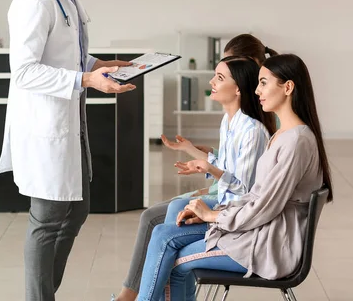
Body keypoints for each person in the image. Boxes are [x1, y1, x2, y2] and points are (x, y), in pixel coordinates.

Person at [0, 0, 136, 301]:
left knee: (76, 210)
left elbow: (64, 56)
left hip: (70, 122)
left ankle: (43, 294)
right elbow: (23, 71)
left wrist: (97, 66)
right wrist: (84, 79)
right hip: (46, 126)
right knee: (46, 221)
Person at [137, 54, 334, 301]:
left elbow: (265, 206)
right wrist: (214, 215)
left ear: (288, 87)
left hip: (267, 245)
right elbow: (256, 195)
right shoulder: (284, 135)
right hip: (257, 231)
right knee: (165, 238)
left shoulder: (296, 142)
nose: (257, 90)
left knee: (173, 261)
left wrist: (213, 216)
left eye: (264, 83)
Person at [111, 54, 276, 301]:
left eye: (219, 78)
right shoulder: (229, 122)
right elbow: (225, 168)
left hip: (237, 216)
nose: (212, 82)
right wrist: (199, 160)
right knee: (177, 207)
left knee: (163, 237)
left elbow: (244, 191)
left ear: (239, 89)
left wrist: (210, 170)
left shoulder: (252, 132)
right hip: (226, 206)